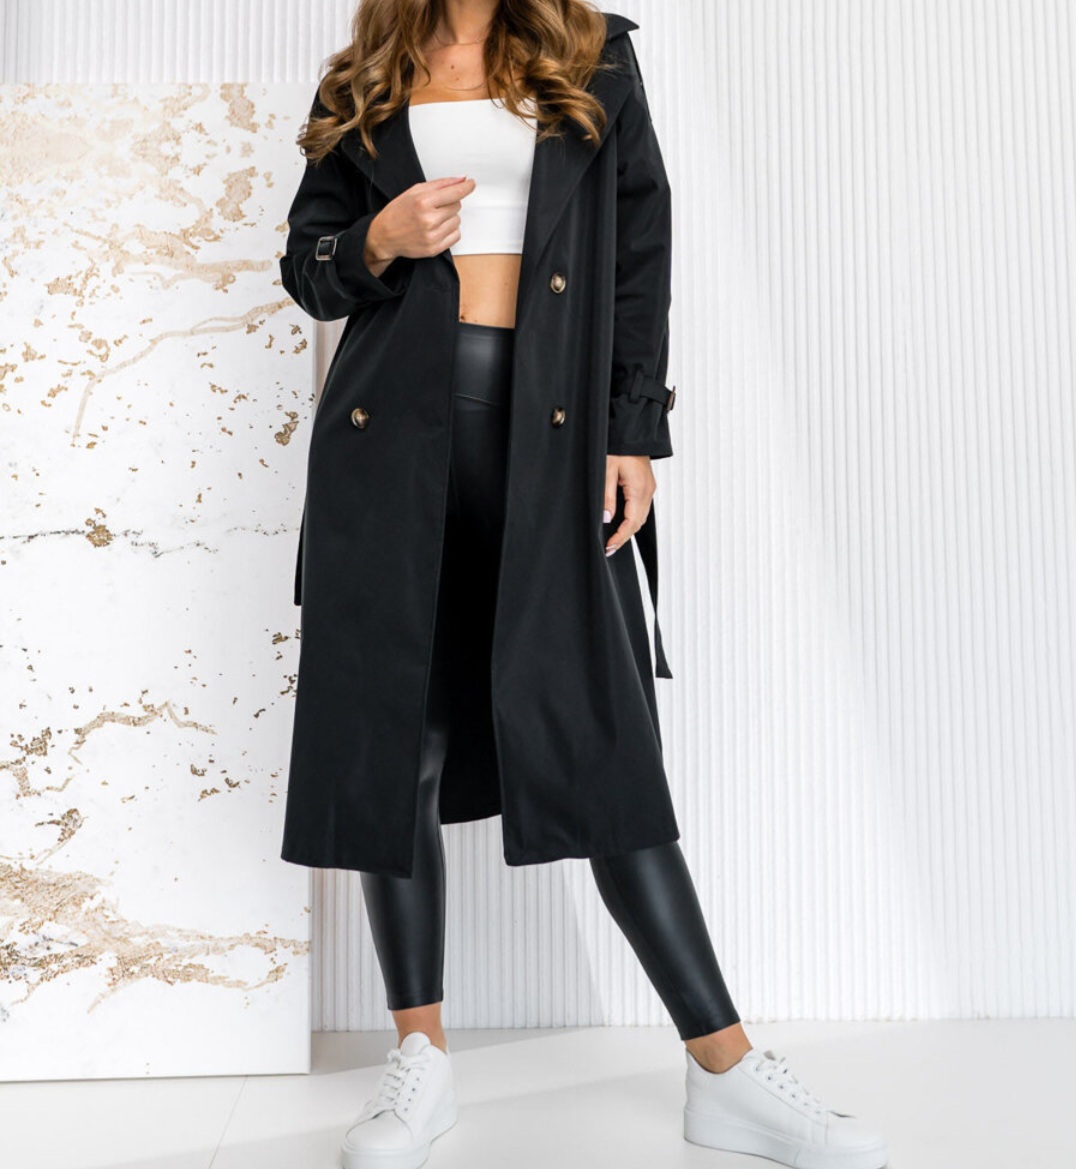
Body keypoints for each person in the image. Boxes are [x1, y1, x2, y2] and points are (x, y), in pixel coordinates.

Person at [278, 3, 890, 1168]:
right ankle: (420, 1059)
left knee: (605, 747)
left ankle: (725, 1068)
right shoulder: (363, 74)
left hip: (553, 439)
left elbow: (639, 244)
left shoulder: (591, 52)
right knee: (397, 746)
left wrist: (632, 429)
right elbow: (308, 271)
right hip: (386, 441)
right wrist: (378, 240)